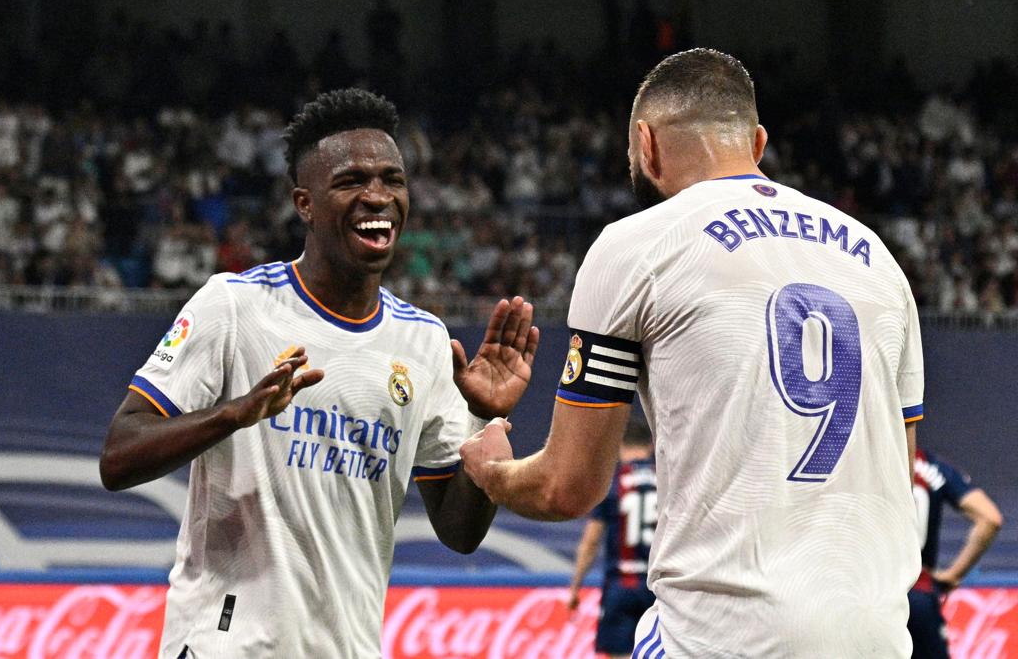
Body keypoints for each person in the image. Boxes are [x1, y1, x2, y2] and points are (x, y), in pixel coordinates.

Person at [461, 48, 924, 657]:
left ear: (646, 145)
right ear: (757, 143)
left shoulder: (636, 246)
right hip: (881, 637)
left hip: (724, 636)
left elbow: (567, 489)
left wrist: (491, 470)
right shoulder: (878, 261)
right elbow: (899, 467)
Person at [99, 88, 539, 659]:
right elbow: (118, 456)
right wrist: (235, 414)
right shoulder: (234, 306)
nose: (377, 196)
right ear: (304, 204)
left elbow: (459, 532)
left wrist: (485, 419)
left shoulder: (424, 340)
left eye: (392, 179)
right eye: (351, 181)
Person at [566, 418, 656, 659]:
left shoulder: (612, 484)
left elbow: (591, 541)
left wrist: (575, 586)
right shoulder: (666, 483)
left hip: (621, 585)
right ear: (651, 445)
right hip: (659, 587)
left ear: (619, 445)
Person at [909, 447, 1004, 659]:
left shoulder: (869, 462)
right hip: (920, 596)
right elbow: (990, 518)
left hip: (875, 595)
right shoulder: (931, 465)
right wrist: (953, 576)